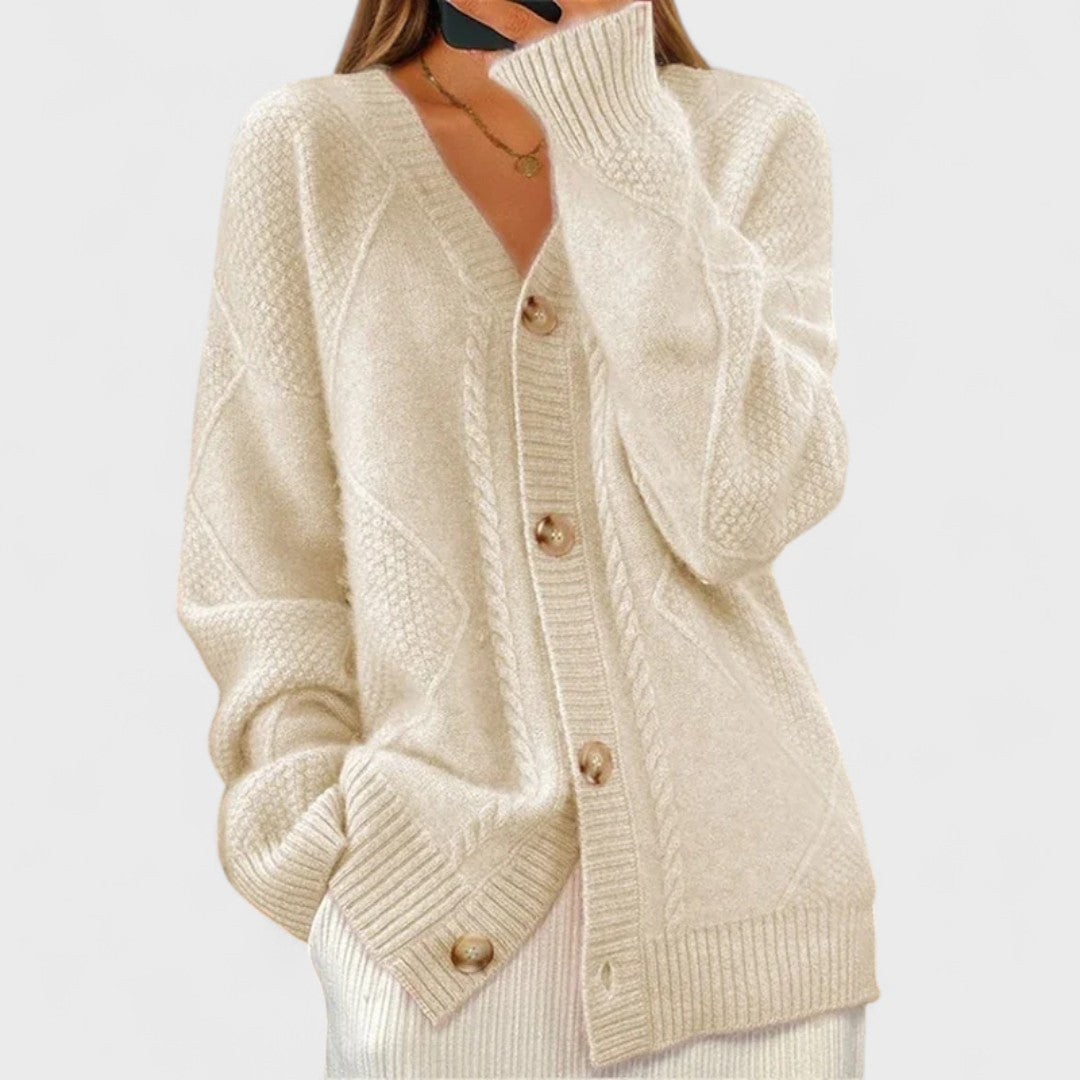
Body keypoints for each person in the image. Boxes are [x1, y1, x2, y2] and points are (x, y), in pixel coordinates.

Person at [175, 1, 879, 1076]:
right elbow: (259, 551)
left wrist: (614, 118)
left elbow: (739, 507)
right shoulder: (311, 148)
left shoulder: (751, 135)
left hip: (747, 936)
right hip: (434, 922)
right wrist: (322, 843)